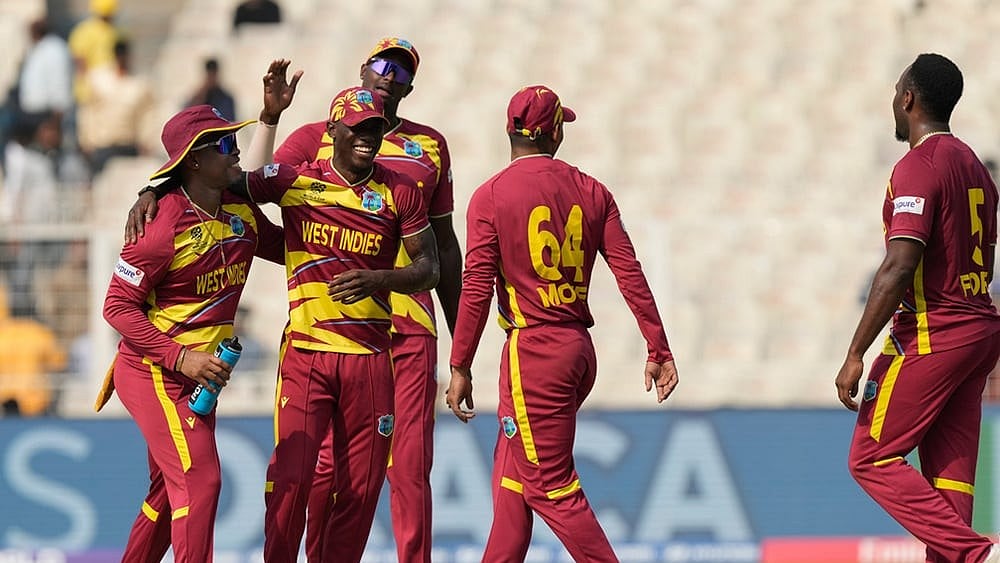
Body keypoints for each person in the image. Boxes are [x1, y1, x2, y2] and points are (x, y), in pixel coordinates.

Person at [128, 85, 439, 562]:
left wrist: (381, 279)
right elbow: (222, 178)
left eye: (376, 128)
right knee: (289, 481)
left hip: (372, 361)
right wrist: (152, 188)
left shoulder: (400, 189)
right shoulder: (294, 179)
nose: (368, 137)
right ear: (331, 130)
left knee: (359, 491)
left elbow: (430, 268)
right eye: (357, 128)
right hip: (305, 355)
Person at [247, 36, 462, 563]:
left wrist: (463, 347)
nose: (391, 75)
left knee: (408, 467)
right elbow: (245, 187)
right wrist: (154, 191)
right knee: (317, 472)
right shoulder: (310, 141)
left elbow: (444, 252)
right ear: (364, 68)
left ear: (412, 86)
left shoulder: (429, 146)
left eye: (403, 71)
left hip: (406, 325)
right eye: (384, 63)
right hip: (323, 329)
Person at [445, 85, 679, 562]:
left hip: (533, 355)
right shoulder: (593, 190)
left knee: (551, 488)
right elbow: (628, 273)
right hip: (574, 350)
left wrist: (460, 364)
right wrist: (658, 347)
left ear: (509, 130)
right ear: (553, 132)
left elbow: (476, 288)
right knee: (514, 489)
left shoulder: (490, 196)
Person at [97, 61, 296, 562]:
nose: (234, 154)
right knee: (200, 481)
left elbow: (292, 245)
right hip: (153, 371)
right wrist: (180, 359)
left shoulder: (240, 211)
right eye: (224, 146)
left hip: (200, 377)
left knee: (168, 496)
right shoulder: (160, 226)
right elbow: (116, 307)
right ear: (192, 162)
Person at [835, 53, 1000, 563]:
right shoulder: (974, 165)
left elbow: (900, 264)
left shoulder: (918, 167)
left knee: (870, 458)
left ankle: (977, 554)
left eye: (895, 91)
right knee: (950, 481)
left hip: (936, 330)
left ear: (907, 98)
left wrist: (855, 353)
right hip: (979, 329)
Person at [77, 38, 152, 175]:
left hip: (129, 145)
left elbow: (147, 115)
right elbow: (88, 112)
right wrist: (86, 140)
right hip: (103, 146)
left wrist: (146, 141)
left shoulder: (139, 83)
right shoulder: (98, 79)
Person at [0, 283, 66, 416]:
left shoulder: (3, 333)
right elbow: (58, 364)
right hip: (36, 396)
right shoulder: (41, 333)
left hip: (7, 396)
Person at [67, 0, 122, 104]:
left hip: (106, 83)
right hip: (94, 84)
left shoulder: (84, 30)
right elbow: (80, 61)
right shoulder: (87, 31)